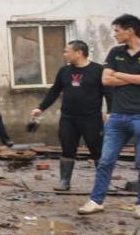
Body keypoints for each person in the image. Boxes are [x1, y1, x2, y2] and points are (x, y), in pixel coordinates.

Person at [79, 14, 140, 219]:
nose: (114, 34)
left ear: (130, 30)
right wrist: (134, 78)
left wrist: (119, 74)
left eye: (117, 30)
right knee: (106, 160)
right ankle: (96, 201)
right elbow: (106, 80)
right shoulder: (116, 52)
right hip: (117, 116)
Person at [29, 40, 108, 191]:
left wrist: (111, 112)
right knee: (67, 148)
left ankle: (103, 183)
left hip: (91, 118)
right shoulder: (64, 71)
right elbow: (54, 91)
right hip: (68, 118)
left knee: (97, 149)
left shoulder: (98, 70)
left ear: (79, 53)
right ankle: (64, 182)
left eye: (67, 51)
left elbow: (109, 93)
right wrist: (41, 108)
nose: (64, 54)